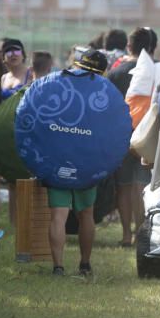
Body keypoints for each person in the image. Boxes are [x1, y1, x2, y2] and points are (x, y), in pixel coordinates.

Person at [48, 50, 110, 278]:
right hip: (87, 160)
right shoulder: (104, 96)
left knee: (58, 214)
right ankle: (84, 264)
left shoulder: (60, 87)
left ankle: (58, 267)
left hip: (59, 157)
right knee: (86, 213)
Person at [107, 27, 157, 247]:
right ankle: (141, 233)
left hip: (121, 135)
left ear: (129, 47)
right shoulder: (156, 71)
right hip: (147, 136)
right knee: (142, 186)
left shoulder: (116, 73)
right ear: (153, 47)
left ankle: (126, 234)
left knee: (124, 186)